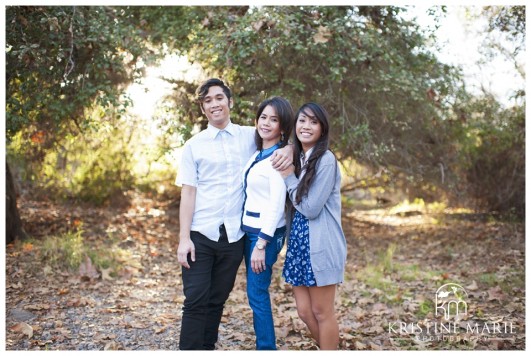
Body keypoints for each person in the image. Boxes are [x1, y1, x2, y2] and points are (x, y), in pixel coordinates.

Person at [175, 78, 292, 350]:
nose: (214, 104)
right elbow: (188, 193)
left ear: (230, 101)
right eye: (207, 101)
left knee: (217, 299)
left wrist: (290, 147)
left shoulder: (248, 136)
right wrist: (184, 238)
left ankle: (207, 348)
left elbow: (276, 136)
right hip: (200, 234)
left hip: (234, 237)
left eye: (218, 98)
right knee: (195, 299)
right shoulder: (194, 145)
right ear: (203, 109)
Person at [279, 102, 347, 350]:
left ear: (322, 129)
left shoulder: (326, 160)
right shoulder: (299, 157)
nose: (306, 126)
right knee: (304, 311)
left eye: (313, 122)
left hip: (321, 246)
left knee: (321, 311)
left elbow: (310, 208)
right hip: (298, 245)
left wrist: (288, 177)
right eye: (302, 120)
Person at [241, 96, 294, 350]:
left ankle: (266, 349)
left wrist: (262, 243)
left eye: (274, 120)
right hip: (250, 232)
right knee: (255, 294)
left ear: (282, 128)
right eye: (264, 117)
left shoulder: (277, 159)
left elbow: (276, 203)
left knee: (257, 295)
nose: (267, 123)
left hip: (263, 236)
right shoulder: (259, 153)